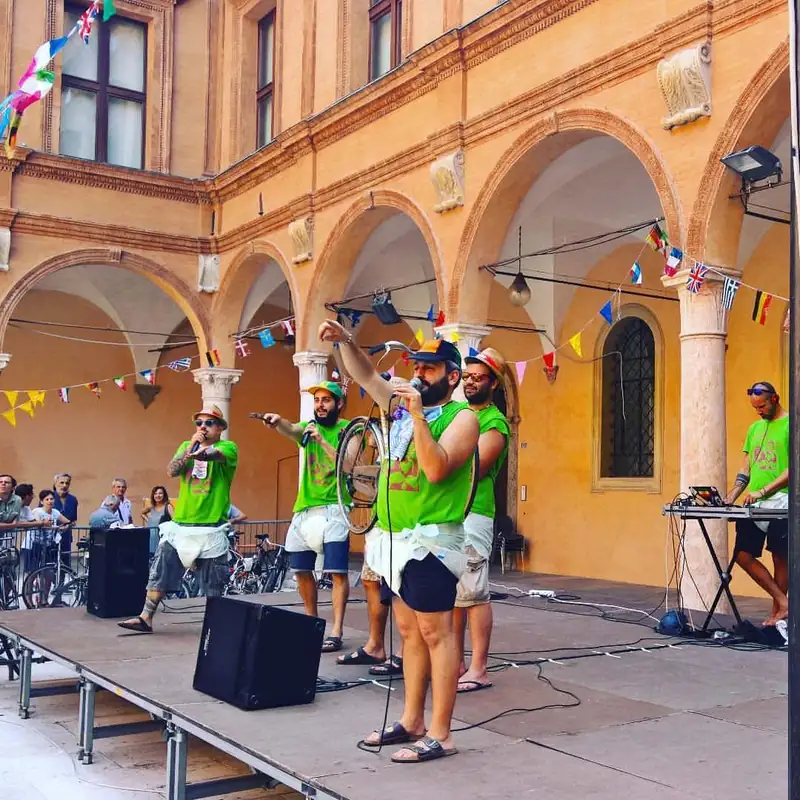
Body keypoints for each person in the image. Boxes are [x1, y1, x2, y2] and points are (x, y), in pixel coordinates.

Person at [320, 319, 479, 764]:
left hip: (431, 542)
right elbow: (367, 374)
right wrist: (346, 341)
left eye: (430, 369)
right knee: (408, 632)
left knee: (436, 633)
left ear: (452, 376)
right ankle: (412, 720)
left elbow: (436, 469)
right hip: (394, 539)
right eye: (417, 367)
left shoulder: (463, 418)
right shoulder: (397, 406)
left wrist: (417, 416)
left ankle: (441, 733)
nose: (419, 374)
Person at [118, 404, 238, 634]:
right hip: (180, 526)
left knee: (213, 582)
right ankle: (145, 618)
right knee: (159, 570)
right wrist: (192, 446)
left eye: (209, 423)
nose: (203, 427)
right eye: (199, 423)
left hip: (211, 527)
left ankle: (216, 627)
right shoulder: (186, 446)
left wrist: (203, 451)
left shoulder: (228, 447)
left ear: (220, 428)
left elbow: (215, 455)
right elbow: (172, 470)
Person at [254, 381, 352, 653]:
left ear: (339, 404)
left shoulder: (349, 429)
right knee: (301, 570)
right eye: (317, 400)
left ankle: (336, 630)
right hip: (304, 509)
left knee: (337, 573)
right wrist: (278, 422)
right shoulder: (308, 428)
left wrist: (322, 441)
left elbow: (349, 466)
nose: (320, 405)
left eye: (326, 400)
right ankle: (312, 622)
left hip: (334, 508)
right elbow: (292, 429)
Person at [454, 348, 510, 693]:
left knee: (473, 593)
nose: (470, 382)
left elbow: (476, 466)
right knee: (453, 595)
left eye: (478, 377)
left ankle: (478, 668)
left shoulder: (494, 422)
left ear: (493, 383)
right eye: (467, 377)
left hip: (475, 512)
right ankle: (455, 662)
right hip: (451, 511)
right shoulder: (459, 414)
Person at [723, 381, 789, 626]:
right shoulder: (755, 429)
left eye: (762, 406)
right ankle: (784, 602)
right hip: (757, 503)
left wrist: (763, 490)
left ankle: (777, 614)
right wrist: (732, 495)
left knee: (780, 557)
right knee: (742, 555)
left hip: (783, 500)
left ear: (775, 399)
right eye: (755, 408)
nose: (759, 411)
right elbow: (747, 466)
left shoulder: (791, 425)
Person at [30, 490, 71, 570]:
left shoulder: (55, 512)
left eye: (51, 499)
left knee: (48, 570)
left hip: (49, 544)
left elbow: (67, 522)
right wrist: (56, 527)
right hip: (35, 543)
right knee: (34, 569)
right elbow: (37, 525)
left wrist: (65, 526)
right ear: (42, 502)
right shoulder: (37, 511)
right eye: (47, 499)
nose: (50, 501)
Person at [53, 473, 78, 568]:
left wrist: (68, 525)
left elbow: (74, 520)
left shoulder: (73, 499)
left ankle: (62, 578)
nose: (64, 485)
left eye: (67, 483)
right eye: (61, 482)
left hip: (66, 536)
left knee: (65, 566)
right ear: (55, 484)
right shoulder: (49, 498)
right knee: (50, 565)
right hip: (51, 537)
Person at [142, 486, 174, 556]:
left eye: (160, 493)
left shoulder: (168, 506)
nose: (158, 495)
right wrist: (148, 521)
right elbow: (142, 513)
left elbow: (174, 522)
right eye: (155, 494)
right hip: (150, 539)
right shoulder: (151, 507)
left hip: (162, 541)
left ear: (164, 495)